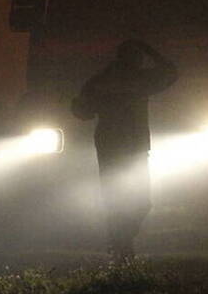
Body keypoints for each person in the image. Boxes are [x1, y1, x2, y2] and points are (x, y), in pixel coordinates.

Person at [72, 39, 177, 258]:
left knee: (116, 199)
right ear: (135, 58)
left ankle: (120, 243)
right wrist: (150, 48)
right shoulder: (141, 80)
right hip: (135, 146)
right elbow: (170, 72)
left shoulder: (100, 81)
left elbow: (83, 111)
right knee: (141, 202)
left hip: (109, 145)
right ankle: (122, 243)